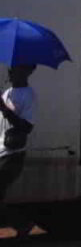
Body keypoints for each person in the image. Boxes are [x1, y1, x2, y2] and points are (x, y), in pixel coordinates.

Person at [0, 65, 36, 238]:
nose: (10, 73)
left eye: (15, 70)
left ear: (28, 71)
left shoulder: (28, 95)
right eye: (10, 70)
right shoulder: (7, 92)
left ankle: (22, 224)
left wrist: (4, 109)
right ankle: (22, 224)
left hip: (13, 154)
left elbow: (27, 127)